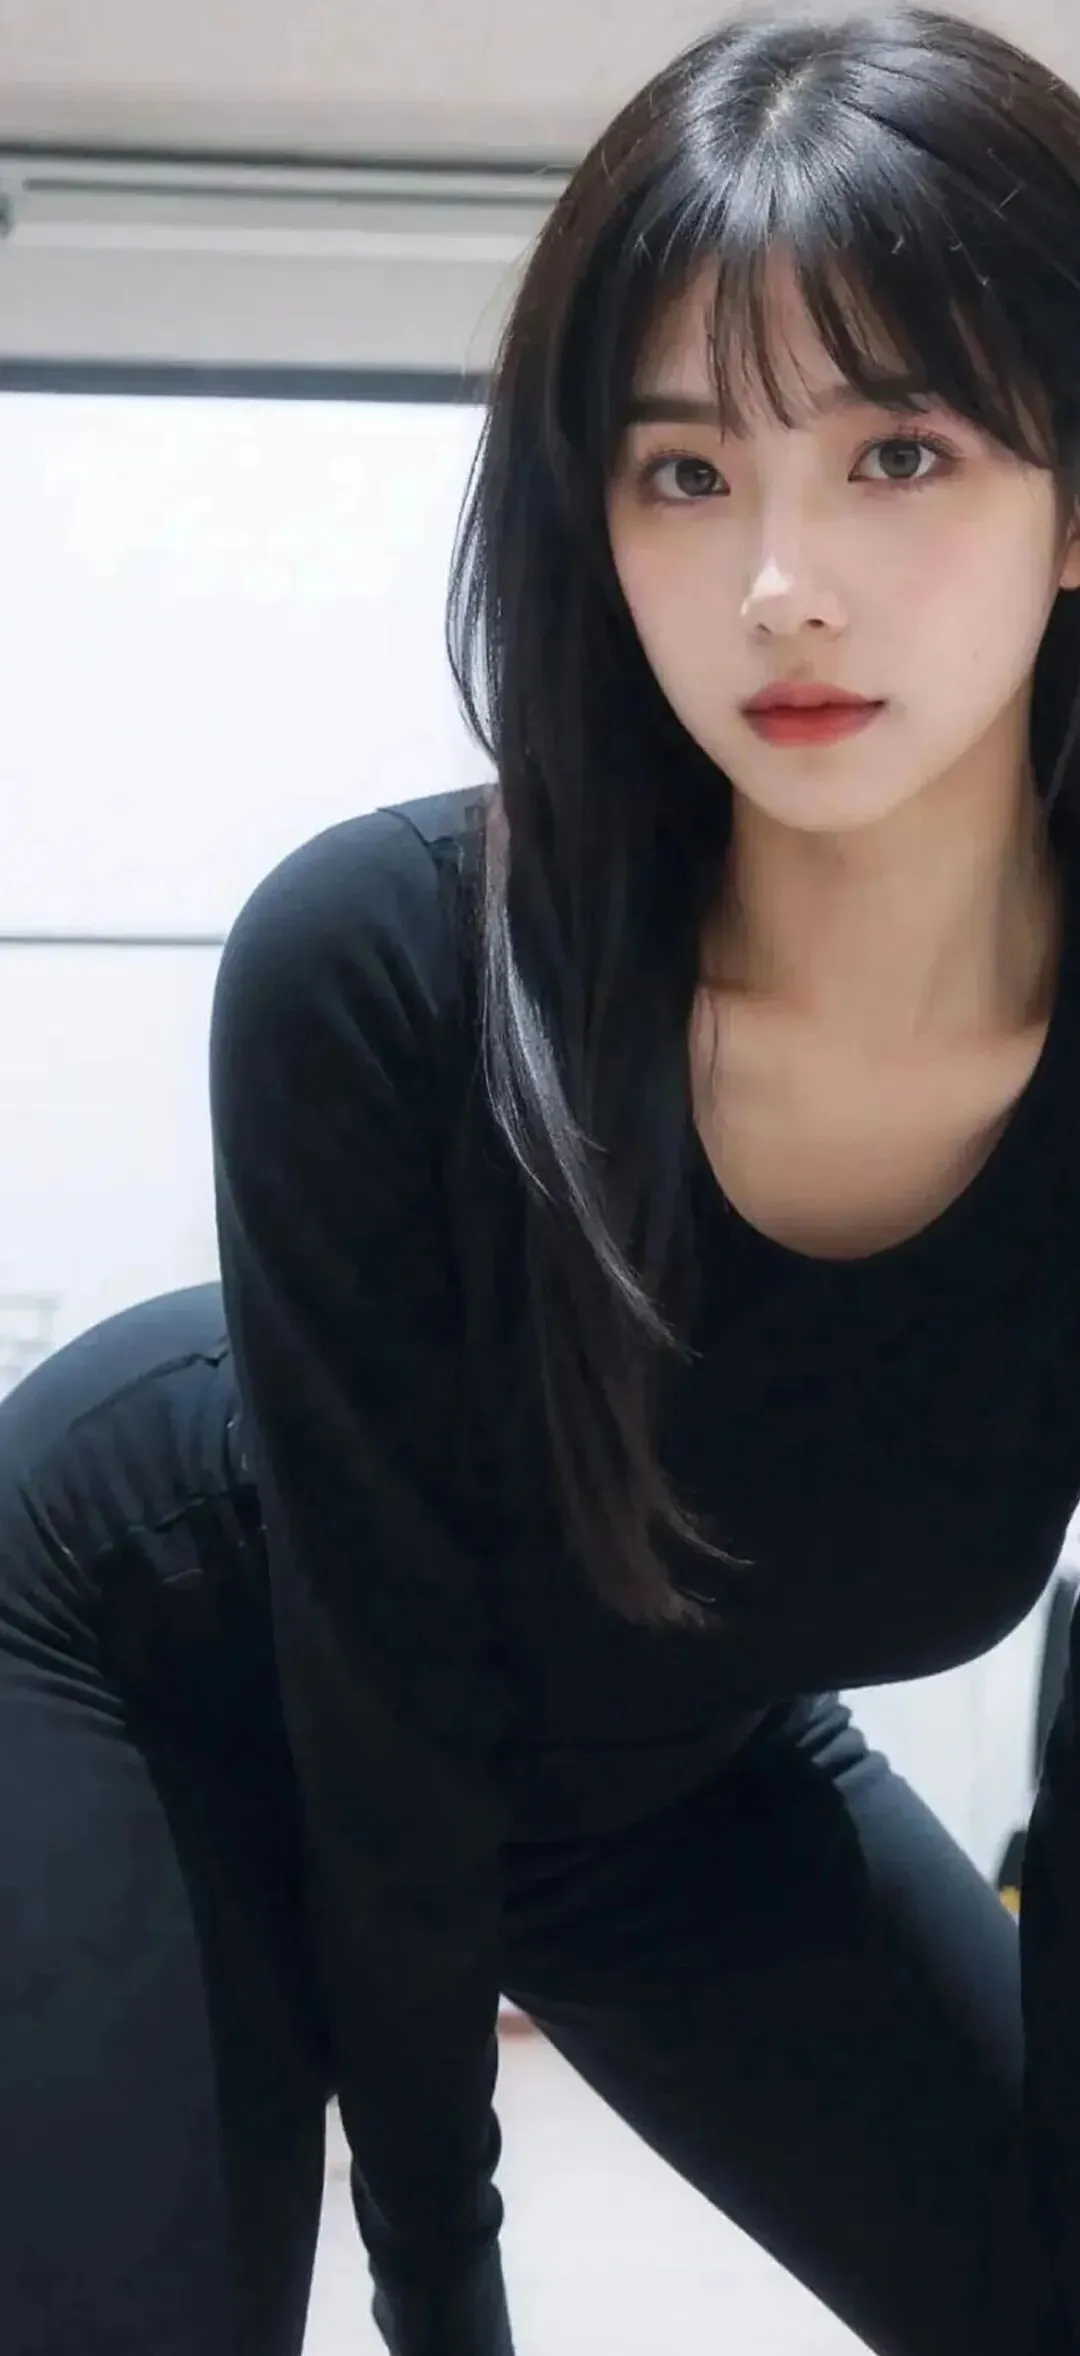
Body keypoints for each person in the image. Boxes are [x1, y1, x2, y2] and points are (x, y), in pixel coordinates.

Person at [7, 4, 1080, 2351]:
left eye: (899, 450)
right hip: (160, 1661)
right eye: (684, 470)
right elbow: (380, 1705)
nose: (781, 578)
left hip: (667, 1776)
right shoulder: (381, 967)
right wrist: (444, 2273)